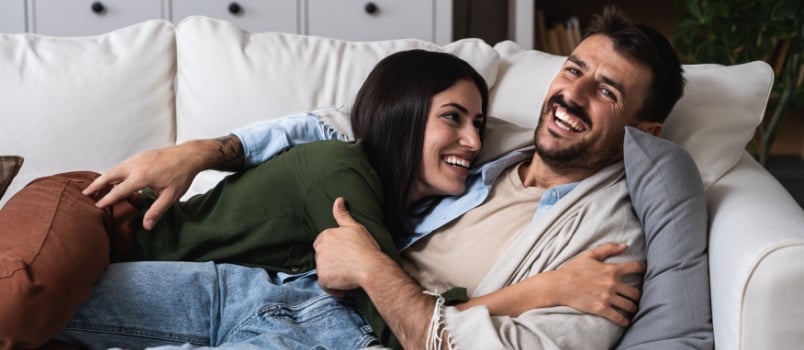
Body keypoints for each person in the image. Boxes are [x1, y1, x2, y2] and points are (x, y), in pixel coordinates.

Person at [51, 6, 684, 349]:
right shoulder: (499, 138)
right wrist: (206, 150)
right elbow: (357, 123)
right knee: (48, 304)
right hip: (276, 285)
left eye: (606, 91)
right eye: (573, 70)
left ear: (645, 131)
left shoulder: (609, 242)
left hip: (352, 336)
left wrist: (370, 268)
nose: (572, 95)